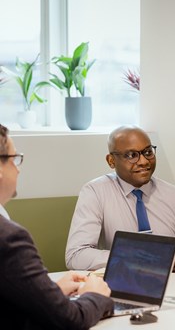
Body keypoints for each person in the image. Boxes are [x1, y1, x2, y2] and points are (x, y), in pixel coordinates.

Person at [0, 124, 114, 329]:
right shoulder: (9, 238)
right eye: (14, 158)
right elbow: (70, 320)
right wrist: (94, 296)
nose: (18, 168)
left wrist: (49, 293)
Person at [66, 125, 175, 274]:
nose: (144, 161)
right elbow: (76, 256)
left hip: (170, 288)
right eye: (132, 155)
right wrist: (135, 259)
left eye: (148, 152)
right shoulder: (95, 192)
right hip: (120, 287)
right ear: (111, 161)